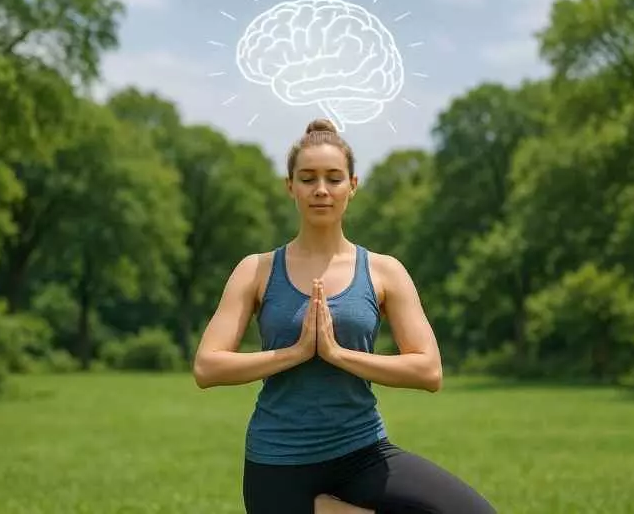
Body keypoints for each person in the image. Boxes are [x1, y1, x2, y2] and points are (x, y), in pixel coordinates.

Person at [193, 118, 497, 514]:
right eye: (308, 178)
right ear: (290, 187)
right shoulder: (256, 270)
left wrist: (338, 354)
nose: (321, 190)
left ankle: (328, 508)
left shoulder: (384, 271)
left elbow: (429, 371)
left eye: (334, 178)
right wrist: (296, 353)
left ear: (352, 186)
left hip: (361, 451)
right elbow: (207, 367)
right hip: (279, 462)